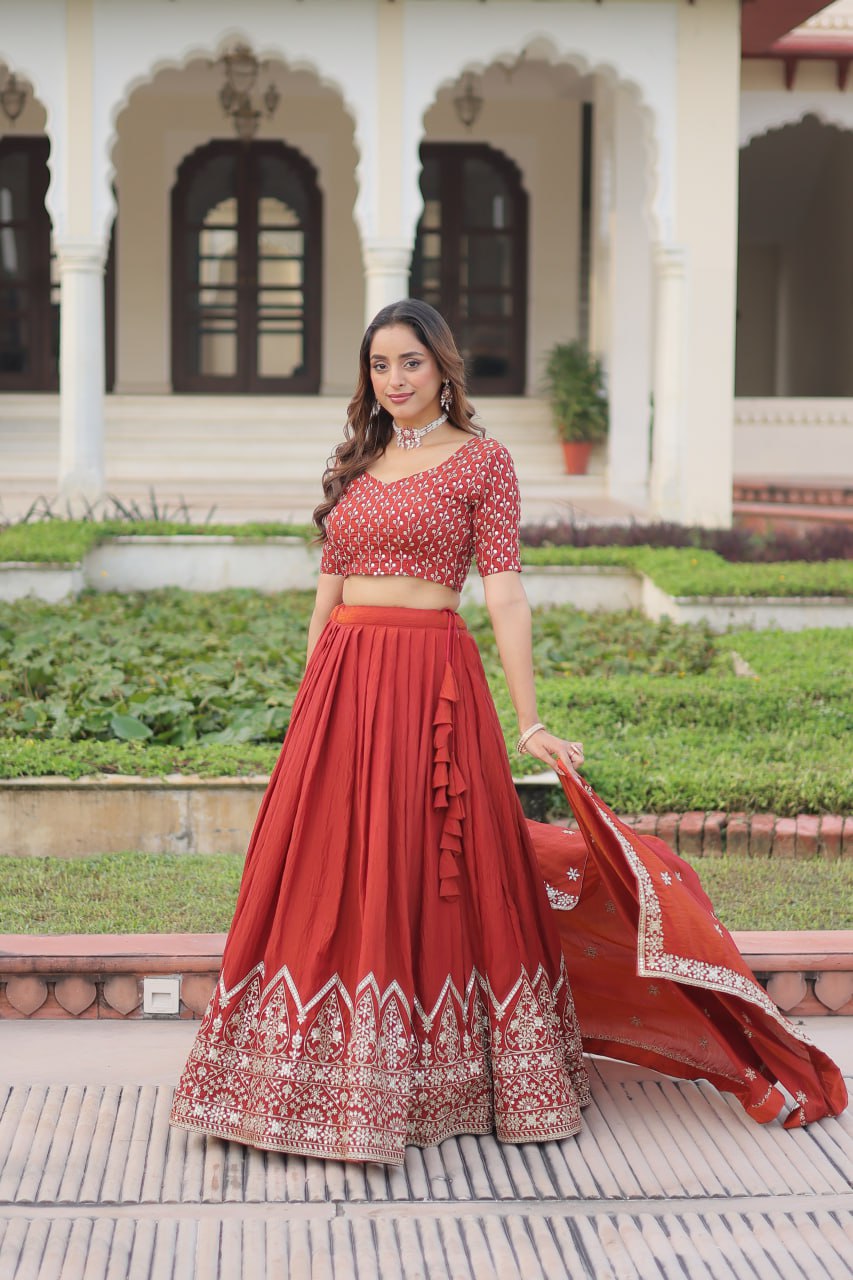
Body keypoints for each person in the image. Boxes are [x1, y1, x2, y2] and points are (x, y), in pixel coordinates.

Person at [170, 300, 846, 1164]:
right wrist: (312, 697)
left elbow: (505, 594)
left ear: (443, 368)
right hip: (342, 684)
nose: (395, 381)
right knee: (331, 866)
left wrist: (528, 720)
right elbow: (327, 589)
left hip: (428, 683)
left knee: (429, 869)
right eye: (379, 366)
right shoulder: (360, 459)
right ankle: (302, 1077)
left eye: (409, 363)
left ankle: (437, 1078)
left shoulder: (482, 462)